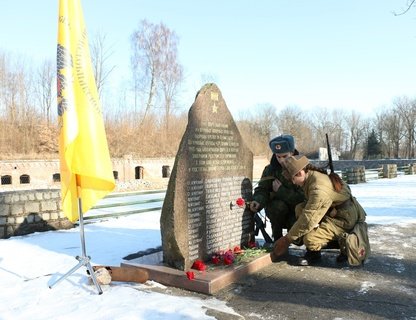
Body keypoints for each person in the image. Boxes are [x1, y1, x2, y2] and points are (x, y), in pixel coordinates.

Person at [272, 155, 367, 266]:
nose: (293, 182)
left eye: (293, 178)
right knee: (299, 208)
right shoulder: (312, 176)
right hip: (335, 211)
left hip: (343, 218)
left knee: (310, 239)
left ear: (301, 173)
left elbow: (308, 219)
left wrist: (287, 240)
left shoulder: (318, 188)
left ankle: (341, 242)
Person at [249, 134, 305, 242]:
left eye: (285, 156)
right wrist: (258, 201)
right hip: (278, 214)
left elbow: (304, 197)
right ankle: (277, 240)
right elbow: (262, 189)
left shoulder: (303, 168)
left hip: (298, 213)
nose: (281, 160)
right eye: (278, 157)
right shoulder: (270, 170)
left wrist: (281, 191)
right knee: (277, 206)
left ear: (292, 153)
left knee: (299, 240)